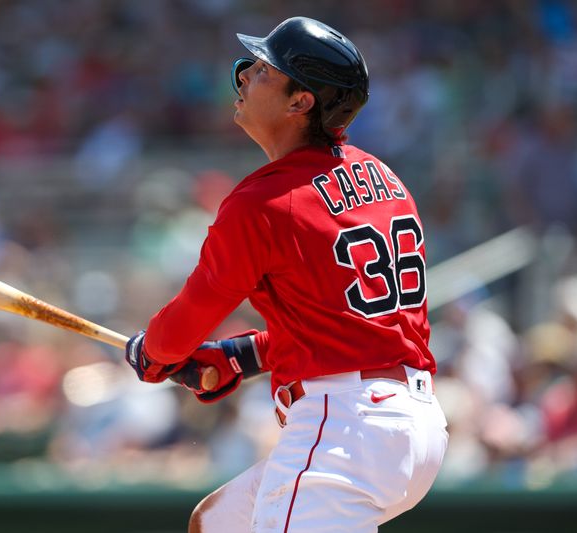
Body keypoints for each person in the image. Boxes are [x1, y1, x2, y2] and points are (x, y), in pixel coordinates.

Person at [125, 16, 448, 533]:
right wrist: (244, 355)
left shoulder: (265, 201)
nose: (244, 76)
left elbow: (188, 318)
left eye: (263, 69)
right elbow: (354, 326)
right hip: (413, 423)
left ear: (301, 102)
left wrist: (154, 352)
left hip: (345, 426)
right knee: (215, 524)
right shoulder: (384, 178)